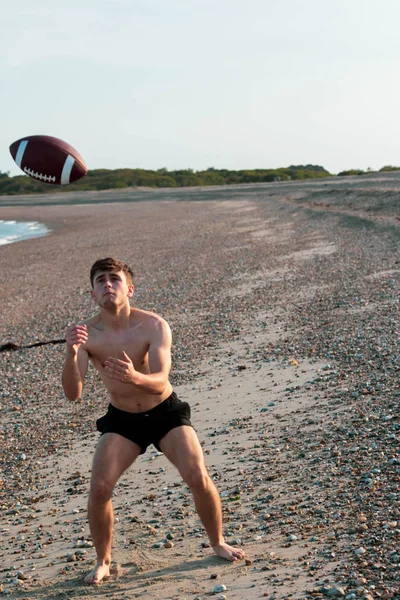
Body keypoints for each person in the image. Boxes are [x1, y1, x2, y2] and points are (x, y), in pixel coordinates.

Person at [62, 257, 245, 585]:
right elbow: (73, 393)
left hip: (165, 412)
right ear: (92, 294)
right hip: (122, 420)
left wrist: (134, 376)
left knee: (197, 476)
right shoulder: (86, 335)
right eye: (100, 280)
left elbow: (161, 380)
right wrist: (70, 354)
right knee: (100, 486)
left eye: (114, 279)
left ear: (129, 288)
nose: (107, 285)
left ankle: (217, 541)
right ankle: (103, 561)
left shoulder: (153, 326)